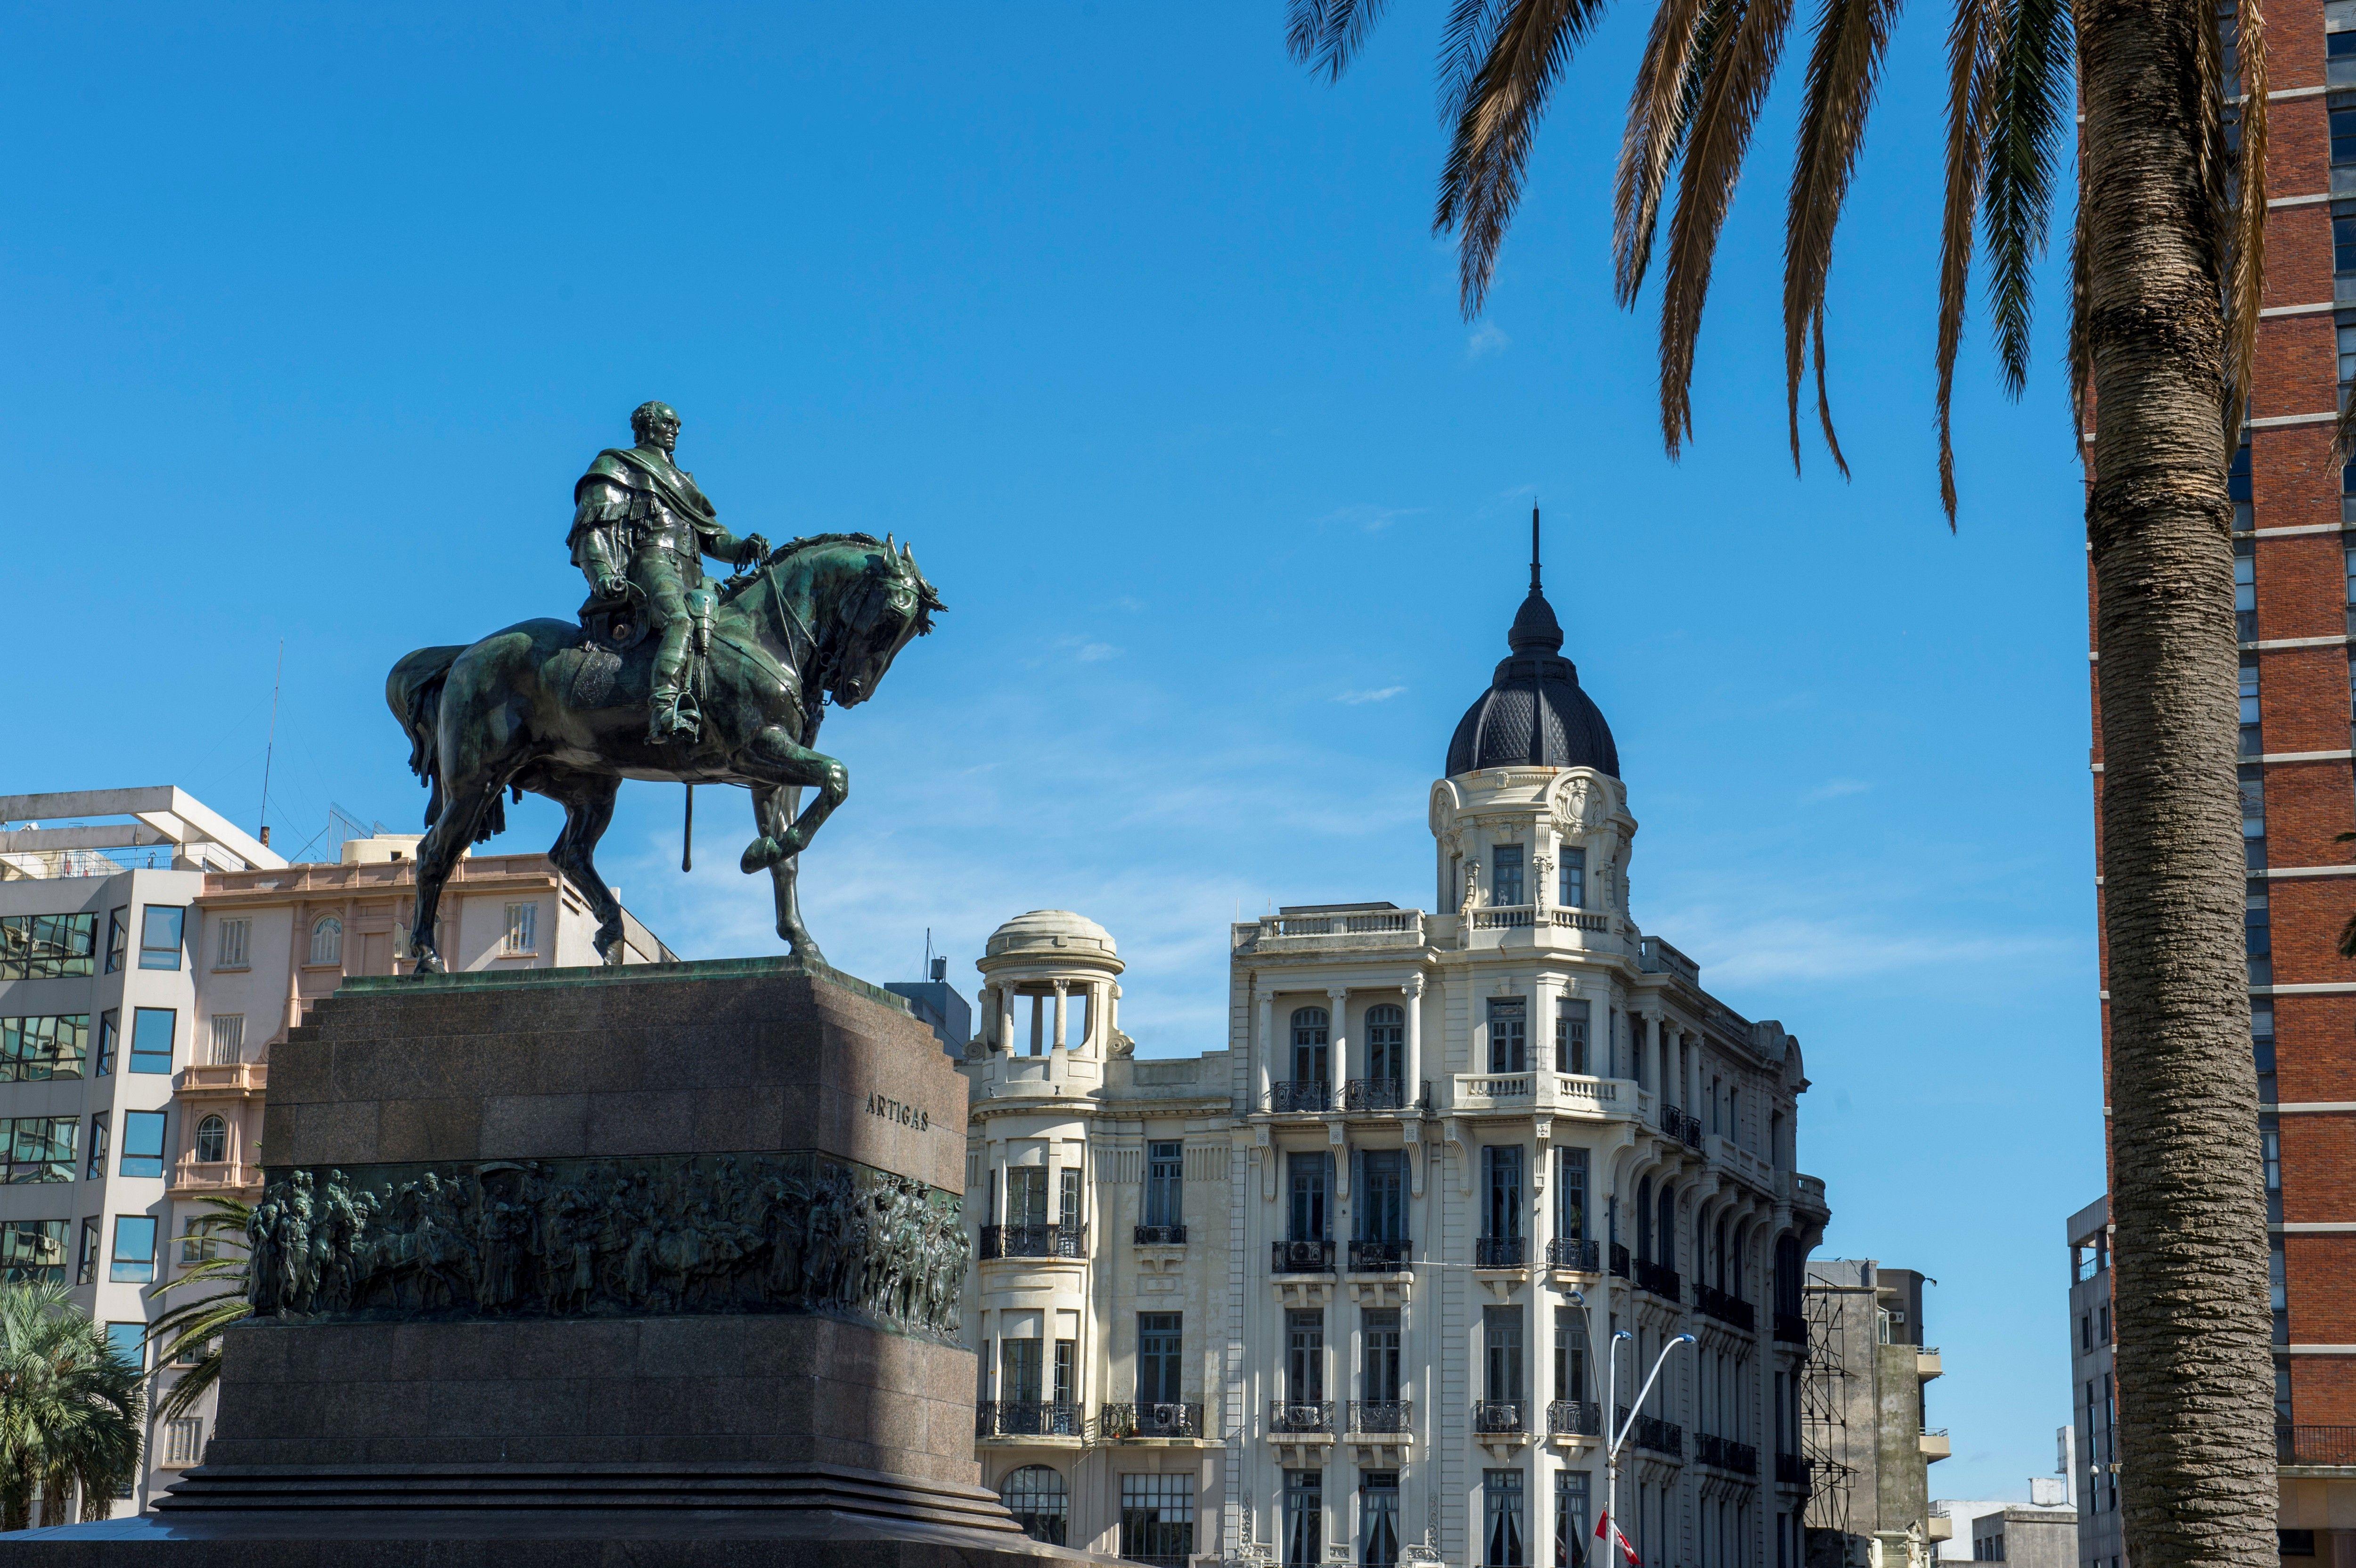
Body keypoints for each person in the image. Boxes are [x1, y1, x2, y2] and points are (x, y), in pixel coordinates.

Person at [568, 401, 769, 742]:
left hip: (692, 574)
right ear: (647, 427)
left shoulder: (683, 482)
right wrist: (602, 573)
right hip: (653, 564)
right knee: (679, 620)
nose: (676, 429)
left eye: (677, 424)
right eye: (669, 423)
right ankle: (664, 708)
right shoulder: (618, 467)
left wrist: (742, 547)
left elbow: (713, 536)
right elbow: (593, 529)